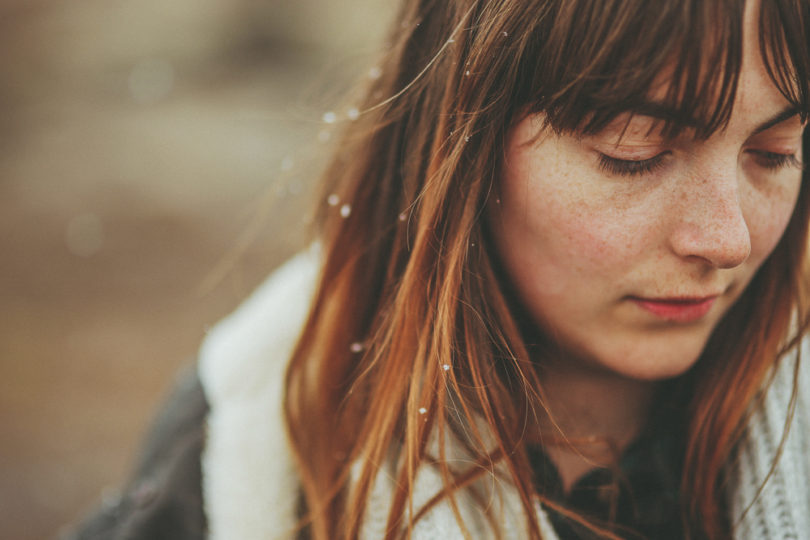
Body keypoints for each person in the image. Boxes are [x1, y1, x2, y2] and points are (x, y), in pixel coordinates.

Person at [67, 0, 810, 538]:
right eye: (634, 154)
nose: (727, 238)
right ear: (462, 147)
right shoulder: (255, 437)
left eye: (774, 154)